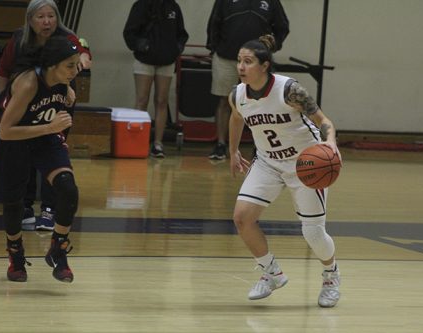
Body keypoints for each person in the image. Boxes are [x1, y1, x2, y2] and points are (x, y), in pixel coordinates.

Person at [228, 35, 342, 307]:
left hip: (305, 164)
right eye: (239, 61)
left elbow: (323, 120)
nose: (241, 67)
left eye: (248, 61)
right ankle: (271, 273)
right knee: (242, 217)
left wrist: (330, 144)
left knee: (313, 233)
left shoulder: (290, 90)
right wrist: (233, 151)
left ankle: (331, 275)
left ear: (265, 65)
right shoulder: (238, 95)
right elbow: (235, 119)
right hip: (268, 161)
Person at [0, 0, 91, 230]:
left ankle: (49, 208)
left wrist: (79, 64)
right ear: (30, 20)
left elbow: (83, 53)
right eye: (41, 16)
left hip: (56, 101)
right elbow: (4, 71)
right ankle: (25, 205)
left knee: (54, 153)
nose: (47, 21)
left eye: (51, 16)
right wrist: (2, 101)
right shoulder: (20, 40)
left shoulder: (66, 38)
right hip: (26, 103)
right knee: (22, 153)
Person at [0, 36, 80, 283]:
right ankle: (15, 254)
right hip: (13, 140)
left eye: (76, 65)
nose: (74, 71)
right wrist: (50, 127)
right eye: (70, 66)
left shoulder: (61, 80)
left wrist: (66, 93)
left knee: (68, 189)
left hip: (44, 136)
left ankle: (58, 249)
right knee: (14, 203)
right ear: (52, 65)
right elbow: (6, 131)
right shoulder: (29, 83)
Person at [206, 0, 289, 160]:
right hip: (226, 57)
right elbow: (214, 23)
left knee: (259, 103)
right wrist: (213, 47)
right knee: (225, 100)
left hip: (256, 61)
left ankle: (260, 147)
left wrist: (272, 47)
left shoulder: (271, 2)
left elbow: (282, 27)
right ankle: (221, 145)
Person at [123, 0, 188, 158]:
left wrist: (175, 50)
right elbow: (129, 33)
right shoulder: (141, 5)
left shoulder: (173, 7)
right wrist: (141, 46)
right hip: (144, 60)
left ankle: (158, 144)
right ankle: (137, 141)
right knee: (142, 100)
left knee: (161, 101)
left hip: (166, 61)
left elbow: (182, 34)